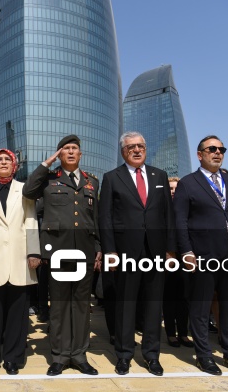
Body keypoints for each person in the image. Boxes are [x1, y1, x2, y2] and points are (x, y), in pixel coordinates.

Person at [173, 135, 228, 376]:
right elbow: (180, 221)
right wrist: (186, 251)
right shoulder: (189, 182)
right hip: (202, 254)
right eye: (212, 149)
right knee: (201, 306)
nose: (218, 153)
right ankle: (204, 356)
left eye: (221, 149)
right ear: (200, 154)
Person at [23, 134, 100, 376]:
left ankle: (79, 354)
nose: (70, 152)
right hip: (57, 252)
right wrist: (46, 164)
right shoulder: (48, 179)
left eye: (74, 148)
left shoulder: (92, 182)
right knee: (58, 306)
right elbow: (27, 191)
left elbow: (95, 219)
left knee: (80, 306)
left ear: (80, 154)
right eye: (65, 149)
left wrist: (98, 249)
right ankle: (59, 356)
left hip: (85, 253)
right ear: (59, 154)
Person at [99, 131, 175, 376]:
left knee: (154, 306)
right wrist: (109, 250)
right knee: (126, 305)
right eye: (131, 146)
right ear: (123, 151)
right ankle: (123, 355)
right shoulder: (112, 178)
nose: (136, 150)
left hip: (156, 251)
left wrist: (171, 250)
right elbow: (106, 218)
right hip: (125, 252)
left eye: (140, 146)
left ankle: (152, 356)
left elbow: (169, 216)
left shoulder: (159, 175)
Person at [0, 148, 40, 375]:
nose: (3, 163)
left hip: (19, 258)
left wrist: (34, 252)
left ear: (15, 166)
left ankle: (13, 358)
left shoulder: (25, 190)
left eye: (7, 160)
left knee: (17, 314)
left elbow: (31, 220)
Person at [162, 177, 193, 349]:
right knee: (169, 297)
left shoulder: (187, 208)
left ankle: (183, 333)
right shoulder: (162, 208)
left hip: (185, 256)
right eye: (171, 189)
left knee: (184, 296)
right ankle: (171, 334)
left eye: (176, 189)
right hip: (167, 256)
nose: (173, 191)